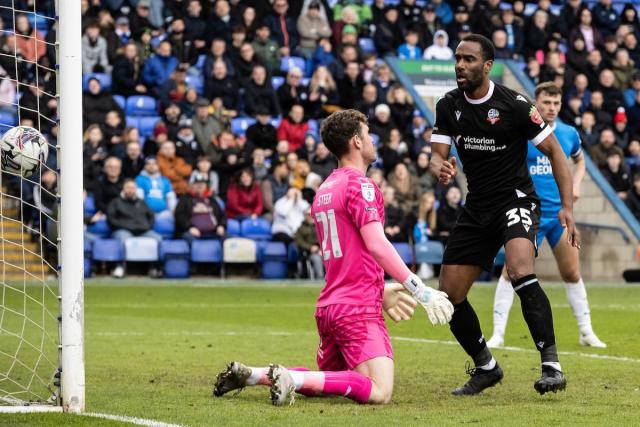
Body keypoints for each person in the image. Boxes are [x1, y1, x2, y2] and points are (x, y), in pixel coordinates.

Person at [214, 109, 452, 406]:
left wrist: (380, 290)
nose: (372, 141)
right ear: (356, 141)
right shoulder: (361, 185)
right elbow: (377, 245)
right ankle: (293, 378)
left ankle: (255, 375)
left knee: (331, 381)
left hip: (330, 306)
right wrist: (421, 290)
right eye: (368, 135)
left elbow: (350, 255)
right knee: (379, 390)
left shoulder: (325, 188)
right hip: (356, 307)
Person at [430, 34, 578, 395]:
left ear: (487, 65)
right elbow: (436, 154)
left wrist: (567, 206)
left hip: (516, 200)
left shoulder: (514, 105)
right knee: (449, 295)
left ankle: (552, 367)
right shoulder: (448, 105)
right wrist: (440, 167)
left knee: (519, 270)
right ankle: (486, 367)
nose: (460, 66)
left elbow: (557, 153)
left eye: (468, 60)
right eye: (457, 59)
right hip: (477, 205)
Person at [486, 82, 606, 349]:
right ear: (535, 103)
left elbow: (580, 159)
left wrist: (575, 184)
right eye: (546, 103)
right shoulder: (523, 133)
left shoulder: (569, 133)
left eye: (556, 103)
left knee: (572, 271)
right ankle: (498, 333)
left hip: (560, 216)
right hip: (529, 214)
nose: (551, 108)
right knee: (511, 271)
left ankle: (586, 332)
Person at [107, 179, 162, 278]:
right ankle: (120, 267)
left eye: (132, 188)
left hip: (143, 230)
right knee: (123, 239)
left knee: (158, 239)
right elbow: (111, 219)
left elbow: (151, 216)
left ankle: (155, 268)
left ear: (136, 189)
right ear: (123, 189)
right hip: (123, 230)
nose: (130, 190)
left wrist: (147, 226)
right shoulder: (116, 202)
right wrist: (124, 226)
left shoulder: (141, 202)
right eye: (128, 187)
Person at [175, 178, 226, 244]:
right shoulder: (184, 199)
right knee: (192, 240)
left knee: (230, 241)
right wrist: (190, 227)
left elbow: (222, 215)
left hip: (214, 232)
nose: (200, 186)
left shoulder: (212, 200)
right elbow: (179, 216)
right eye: (197, 184)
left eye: (202, 184)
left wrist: (221, 225)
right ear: (191, 186)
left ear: (206, 186)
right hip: (192, 233)